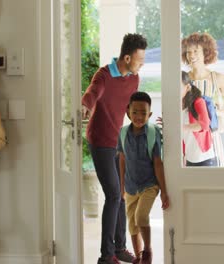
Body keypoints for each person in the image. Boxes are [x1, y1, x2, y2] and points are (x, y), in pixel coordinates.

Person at [81, 33, 147, 264]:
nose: (142, 64)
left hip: (118, 141)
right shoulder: (104, 75)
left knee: (121, 194)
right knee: (113, 194)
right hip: (100, 141)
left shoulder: (133, 79)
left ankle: (119, 248)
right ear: (127, 57)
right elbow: (92, 93)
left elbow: (131, 108)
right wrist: (85, 106)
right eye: (140, 60)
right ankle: (106, 256)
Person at [118, 92, 170, 264]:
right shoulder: (123, 133)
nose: (139, 117)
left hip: (149, 184)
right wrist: (122, 185)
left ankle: (147, 249)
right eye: (135, 112)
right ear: (128, 112)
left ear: (150, 114)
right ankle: (138, 255)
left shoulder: (153, 133)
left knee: (141, 216)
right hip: (131, 185)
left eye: (143, 113)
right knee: (132, 224)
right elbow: (122, 159)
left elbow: (157, 162)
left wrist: (163, 191)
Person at [181, 32, 224, 167]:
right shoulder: (183, 80)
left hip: (211, 146)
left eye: (196, 51)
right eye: (188, 52)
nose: (191, 55)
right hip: (189, 143)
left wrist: (215, 112)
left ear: (205, 52)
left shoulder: (217, 78)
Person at [181, 71, 218, 166]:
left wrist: (181, 127)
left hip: (205, 159)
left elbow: (204, 125)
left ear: (188, 87)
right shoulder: (177, 107)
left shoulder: (198, 101)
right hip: (189, 158)